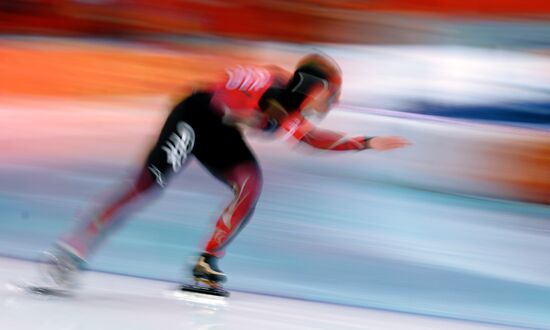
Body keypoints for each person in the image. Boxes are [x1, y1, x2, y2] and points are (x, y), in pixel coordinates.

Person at [42, 53, 410, 294]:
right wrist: (249, 112)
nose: (330, 104)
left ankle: (206, 262)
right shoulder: (273, 87)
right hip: (195, 114)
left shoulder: (288, 104)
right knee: (148, 183)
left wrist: (367, 142)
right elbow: (228, 93)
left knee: (250, 183)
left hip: (219, 129)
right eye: (330, 95)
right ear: (314, 87)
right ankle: (72, 249)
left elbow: (309, 139)